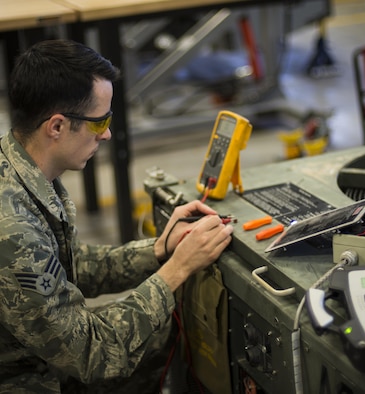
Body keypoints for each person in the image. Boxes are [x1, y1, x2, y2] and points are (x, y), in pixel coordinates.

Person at [0, 39, 233, 393]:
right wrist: (177, 270)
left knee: (155, 336)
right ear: (57, 126)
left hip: (34, 354)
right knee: (150, 338)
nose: (107, 133)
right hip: (22, 379)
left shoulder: (18, 168)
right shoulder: (13, 227)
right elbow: (90, 353)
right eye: (100, 121)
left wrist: (159, 249)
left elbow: (65, 266)